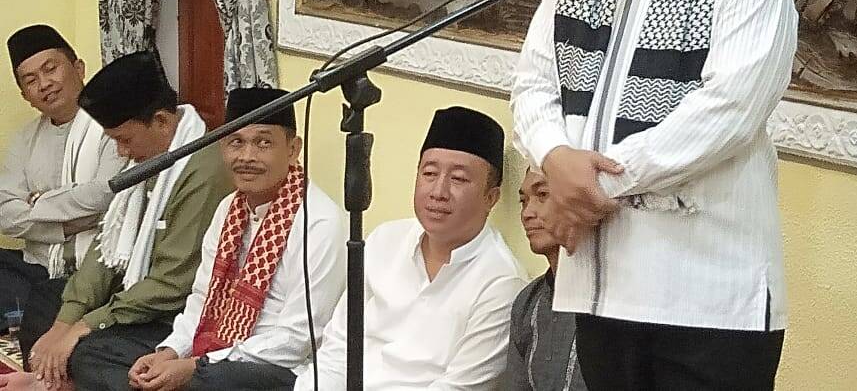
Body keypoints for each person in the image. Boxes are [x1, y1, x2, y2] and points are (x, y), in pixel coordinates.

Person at [511, 0, 798, 390]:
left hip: (707, 298)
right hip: (600, 287)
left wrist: (587, 184)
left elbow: (725, 116)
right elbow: (534, 86)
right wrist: (555, 157)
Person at [5, 52, 230, 391]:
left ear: (162, 122)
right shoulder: (149, 156)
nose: (122, 153)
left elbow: (171, 285)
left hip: (173, 314)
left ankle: (53, 384)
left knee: (91, 352)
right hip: (131, 295)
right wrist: (66, 322)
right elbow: (105, 246)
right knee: (46, 302)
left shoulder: (203, 171)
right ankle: (49, 381)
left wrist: (84, 326)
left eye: (124, 140)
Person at [124, 87, 345, 390]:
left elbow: (298, 340)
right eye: (236, 142)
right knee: (100, 353)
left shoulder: (319, 222)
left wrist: (197, 366)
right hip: (214, 355)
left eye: (263, 143)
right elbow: (202, 298)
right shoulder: (228, 207)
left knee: (208, 383)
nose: (247, 157)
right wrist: (169, 352)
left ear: (293, 149)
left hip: (281, 369)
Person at [292, 106, 527, 391]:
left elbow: (458, 387)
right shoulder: (384, 240)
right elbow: (338, 347)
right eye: (429, 173)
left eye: (458, 179)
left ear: (491, 197)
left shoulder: (501, 283)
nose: (438, 192)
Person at [0, 25, 125, 359]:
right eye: (30, 80)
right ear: (25, 95)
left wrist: (38, 201)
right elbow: (5, 214)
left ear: (79, 68)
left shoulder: (112, 127)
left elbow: (105, 195)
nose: (44, 84)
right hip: (37, 268)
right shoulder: (24, 140)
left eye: (50, 68)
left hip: (93, 272)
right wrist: (65, 225)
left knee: (44, 305)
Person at [507, 169, 586, 391]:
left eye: (542, 195)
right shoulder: (527, 303)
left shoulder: (617, 300)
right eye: (523, 201)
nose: (527, 213)